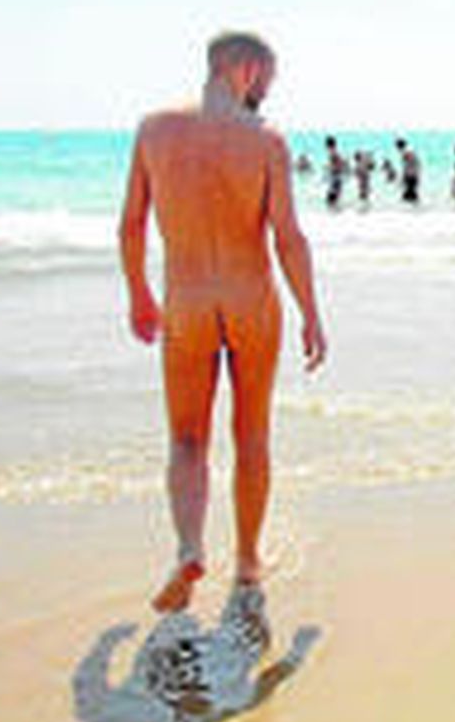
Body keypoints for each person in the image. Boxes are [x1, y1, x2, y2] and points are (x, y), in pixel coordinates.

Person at [118, 32, 327, 614]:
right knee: (252, 435)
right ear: (246, 67)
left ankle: (188, 546)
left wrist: (138, 292)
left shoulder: (154, 129)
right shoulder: (265, 141)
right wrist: (311, 312)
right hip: (251, 300)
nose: (269, 89)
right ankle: (248, 563)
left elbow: (131, 224)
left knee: (186, 439)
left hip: (186, 300)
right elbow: (287, 237)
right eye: (269, 77)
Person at [322, 136, 346, 210]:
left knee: (330, 200)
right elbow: (341, 164)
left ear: (328, 145)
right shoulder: (335, 153)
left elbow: (339, 165)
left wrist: (329, 168)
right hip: (336, 178)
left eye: (326, 145)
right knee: (333, 200)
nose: (326, 147)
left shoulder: (333, 154)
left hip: (335, 179)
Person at [397, 138, 421, 204]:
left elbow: (408, 166)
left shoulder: (406, 152)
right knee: (411, 193)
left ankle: (415, 208)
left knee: (409, 194)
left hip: (411, 175)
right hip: (413, 174)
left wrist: (404, 176)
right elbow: (416, 164)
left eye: (397, 147)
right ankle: (416, 208)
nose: (397, 150)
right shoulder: (409, 151)